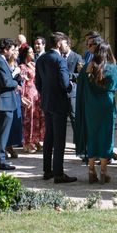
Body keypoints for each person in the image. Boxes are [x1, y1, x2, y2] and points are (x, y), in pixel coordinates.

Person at [75, 41, 117, 183]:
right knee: (105, 136)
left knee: (92, 135)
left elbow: (80, 85)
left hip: (90, 106)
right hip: (106, 106)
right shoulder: (112, 67)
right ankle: (103, 172)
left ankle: (91, 170)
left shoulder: (88, 67)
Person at [35, 32, 77, 184]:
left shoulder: (41, 59)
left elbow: (37, 82)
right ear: (59, 44)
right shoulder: (59, 60)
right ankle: (58, 173)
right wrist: (72, 85)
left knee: (49, 137)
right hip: (59, 103)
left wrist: (45, 94)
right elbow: (65, 83)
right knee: (59, 140)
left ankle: (47, 170)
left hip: (46, 102)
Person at [0, 38, 22, 171]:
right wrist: (16, 83)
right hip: (3, 103)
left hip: (3, 102)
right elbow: (5, 82)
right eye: (11, 49)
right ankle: (0, 161)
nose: (13, 52)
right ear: (5, 50)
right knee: (2, 134)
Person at [19, 47, 44, 153]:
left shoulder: (34, 64)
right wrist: (22, 96)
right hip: (28, 95)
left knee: (37, 118)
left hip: (37, 95)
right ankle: (28, 143)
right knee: (29, 119)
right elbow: (22, 83)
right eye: (30, 52)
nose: (32, 53)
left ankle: (36, 140)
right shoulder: (22, 67)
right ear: (25, 54)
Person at [63, 37, 83, 140]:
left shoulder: (77, 57)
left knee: (74, 118)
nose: (60, 47)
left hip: (72, 93)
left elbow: (81, 74)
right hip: (60, 93)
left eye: (63, 44)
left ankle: (78, 141)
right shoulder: (59, 56)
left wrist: (70, 76)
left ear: (68, 45)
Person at [5, 46, 23, 158]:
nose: (17, 53)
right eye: (15, 51)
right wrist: (15, 73)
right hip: (8, 95)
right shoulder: (5, 64)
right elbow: (6, 80)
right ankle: (5, 147)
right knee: (8, 123)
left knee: (16, 123)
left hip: (17, 95)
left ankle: (11, 146)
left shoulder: (16, 63)